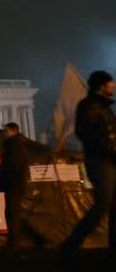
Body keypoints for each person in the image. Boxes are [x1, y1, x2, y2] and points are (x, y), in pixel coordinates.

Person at [60, 70, 116, 261]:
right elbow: (87, 133)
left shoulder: (104, 107)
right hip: (100, 161)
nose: (114, 86)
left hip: (109, 160)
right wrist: (109, 148)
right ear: (102, 85)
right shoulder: (89, 106)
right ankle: (70, 245)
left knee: (112, 205)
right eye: (111, 83)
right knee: (102, 206)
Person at [0, 123, 41, 253]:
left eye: (5, 130)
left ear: (11, 131)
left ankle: (14, 243)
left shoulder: (13, 145)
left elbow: (14, 165)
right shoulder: (17, 143)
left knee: (12, 214)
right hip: (15, 184)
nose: (4, 132)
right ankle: (16, 241)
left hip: (13, 185)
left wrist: (7, 181)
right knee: (12, 213)